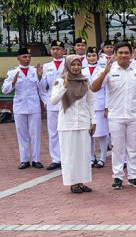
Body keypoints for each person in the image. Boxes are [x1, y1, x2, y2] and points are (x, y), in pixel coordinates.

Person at [90, 42, 136, 189]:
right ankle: (117, 177)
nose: (123, 55)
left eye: (126, 53)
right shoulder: (109, 71)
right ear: (115, 55)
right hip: (116, 116)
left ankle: (133, 176)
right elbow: (94, 88)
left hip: (134, 116)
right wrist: (105, 72)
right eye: (120, 53)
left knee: (133, 148)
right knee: (117, 148)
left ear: (131, 55)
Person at [49, 55, 95, 193]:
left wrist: (93, 121)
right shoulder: (60, 80)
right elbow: (53, 101)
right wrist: (64, 87)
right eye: (73, 65)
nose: (75, 67)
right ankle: (72, 183)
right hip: (67, 124)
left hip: (83, 122)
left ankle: (81, 181)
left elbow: (90, 103)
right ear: (68, 66)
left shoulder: (85, 81)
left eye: (78, 65)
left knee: (83, 154)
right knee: (69, 155)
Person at [3, 47, 43, 169]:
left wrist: (40, 77)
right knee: (22, 133)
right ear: (18, 58)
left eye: (29, 57)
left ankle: (36, 159)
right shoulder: (12, 72)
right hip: (20, 106)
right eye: (24, 57)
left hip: (34, 105)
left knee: (35, 133)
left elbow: (42, 88)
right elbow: (4, 90)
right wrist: (13, 83)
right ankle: (24, 159)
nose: (27, 59)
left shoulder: (34, 71)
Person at [39, 40, 67, 170]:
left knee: (66, 131)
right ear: (50, 51)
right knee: (53, 133)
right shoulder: (46, 67)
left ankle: (67, 158)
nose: (56, 51)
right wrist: (46, 101)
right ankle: (56, 159)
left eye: (59, 49)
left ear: (64, 51)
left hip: (67, 103)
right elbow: (42, 88)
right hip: (51, 104)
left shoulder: (69, 63)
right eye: (54, 49)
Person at [83, 48, 109, 168]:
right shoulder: (82, 71)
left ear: (97, 57)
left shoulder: (103, 70)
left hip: (100, 105)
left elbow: (108, 90)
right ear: (86, 57)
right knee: (89, 133)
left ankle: (102, 158)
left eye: (94, 55)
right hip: (87, 105)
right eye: (89, 55)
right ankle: (91, 157)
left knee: (102, 133)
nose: (91, 57)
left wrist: (107, 107)